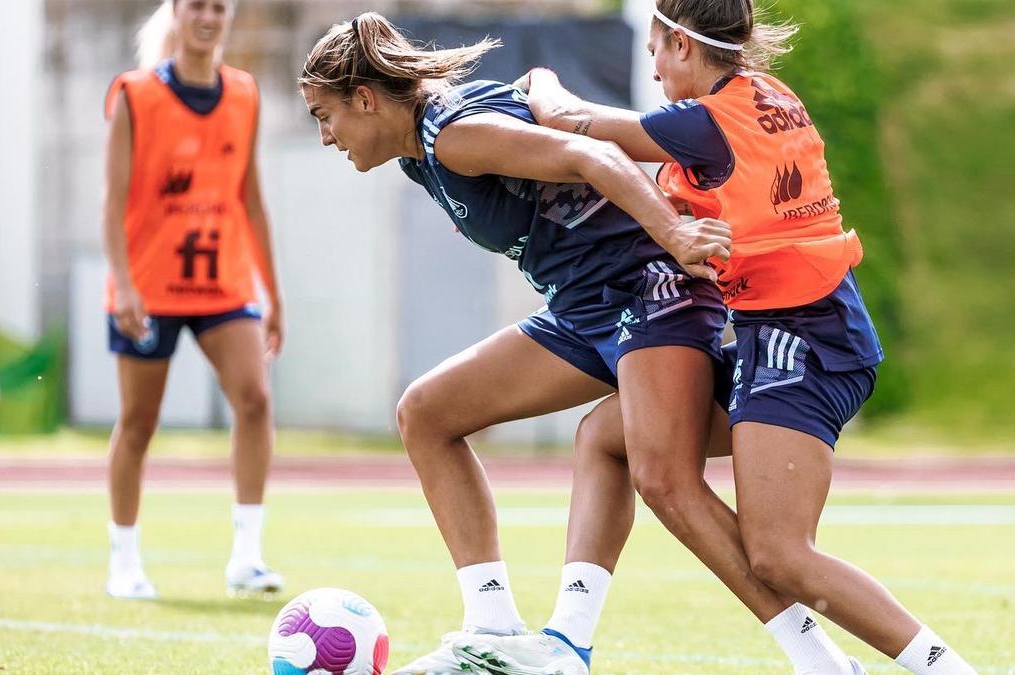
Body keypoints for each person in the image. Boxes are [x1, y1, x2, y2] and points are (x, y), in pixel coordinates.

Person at [299, 13, 863, 675]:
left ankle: (821, 660)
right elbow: (545, 118)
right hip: (585, 309)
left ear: (366, 99)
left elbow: (589, 155)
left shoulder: (454, 135)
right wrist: (544, 87)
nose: (325, 135)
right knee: (427, 413)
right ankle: (499, 629)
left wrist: (676, 236)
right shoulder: (423, 154)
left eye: (324, 114)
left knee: (667, 481)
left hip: (651, 292)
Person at [453, 1, 978, 674]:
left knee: (781, 552)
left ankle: (943, 668)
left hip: (806, 342)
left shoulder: (704, 122)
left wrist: (540, 79)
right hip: (795, 332)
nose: (650, 62)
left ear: (681, 45)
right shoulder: (767, 95)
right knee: (608, 439)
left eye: (654, 47)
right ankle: (569, 638)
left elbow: (573, 124)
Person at [102, 0, 284, 600]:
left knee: (255, 399)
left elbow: (252, 199)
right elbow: (112, 201)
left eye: (219, 7)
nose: (208, 16)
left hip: (223, 283)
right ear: (177, 13)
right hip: (149, 286)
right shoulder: (134, 94)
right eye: (197, 5)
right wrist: (124, 284)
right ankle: (124, 561)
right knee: (139, 421)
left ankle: (247, 557)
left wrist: (271, 292)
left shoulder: (245, 93)